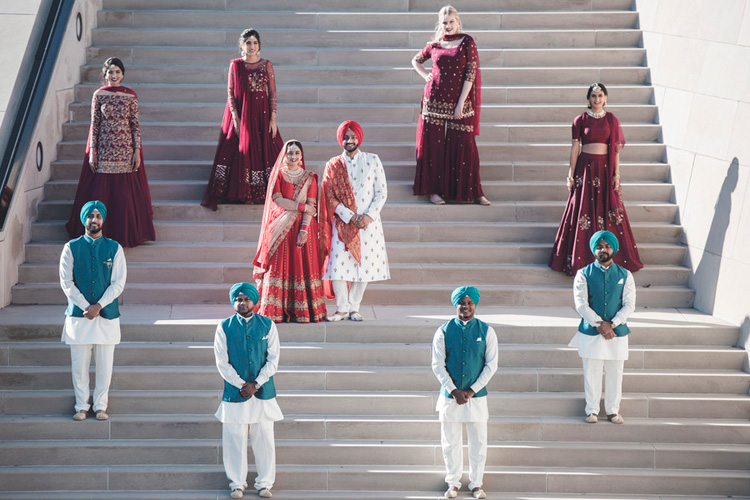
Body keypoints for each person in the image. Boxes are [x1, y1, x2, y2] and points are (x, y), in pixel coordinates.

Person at [549, 82, 644, 275]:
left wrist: (617, 174)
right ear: (588, 99)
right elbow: (575, 148)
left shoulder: (611, 120)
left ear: (606, 98)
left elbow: (615, 150)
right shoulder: (580, 120)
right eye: (593, 96)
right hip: (586, 169)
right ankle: (578, 259)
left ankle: (611, 258)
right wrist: (571, 175)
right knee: (582, 210)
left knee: (609, 209)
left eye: (600, 96)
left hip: (605, 170)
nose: (597, 99)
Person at [65, 57, 155, 248]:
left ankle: (123, 235)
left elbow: (134, 125)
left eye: (117, 72)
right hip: (104, 151)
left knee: (123, 196)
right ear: (104, 75)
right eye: (110, 72)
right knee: (101, 193)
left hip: (125, 150)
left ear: (122, 74)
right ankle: (97, 233)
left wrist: (137, 151)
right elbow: (94, 125)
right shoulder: (99, 95)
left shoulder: (130, 95)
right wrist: (92, 151)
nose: (114, 76)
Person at [412, 5, 489, 206]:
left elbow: (470, 73)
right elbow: (416, 60)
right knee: (433, 148)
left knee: (465, 146)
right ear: (441, 24)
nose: (448, 26)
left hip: (459, 103)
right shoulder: (434, 44)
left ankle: (474, 192)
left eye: (451, 22)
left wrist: (461, 102)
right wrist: (425, 76)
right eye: (444, 23)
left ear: (458, 22)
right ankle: (434, 192)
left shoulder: (467, 42)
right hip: (434, 101)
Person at [202, 28, 284, 209]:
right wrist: (236, 119)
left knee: (269, 149)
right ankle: (242, 192)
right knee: (241, 151)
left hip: (262, 115)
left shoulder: (266, 65)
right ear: (241, 45)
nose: (252, 46)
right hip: (243, 115)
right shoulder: (236, 65)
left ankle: (266, 191)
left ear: (259, 45)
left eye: (255, 42)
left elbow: (272, 93)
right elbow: (230, 93)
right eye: (248, 43)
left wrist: (273, 118)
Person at [214, 282, 282, 499]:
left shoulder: (268, 325)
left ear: (255, 301)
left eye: (246, 299)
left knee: (264, 438)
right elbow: (221, 362)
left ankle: (264, 484)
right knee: (234, 438)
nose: (241, 303)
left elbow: (273, 360)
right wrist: (240, 384)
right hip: (236, 393)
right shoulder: (224, 327)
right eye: (238, 299)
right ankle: (237, 484)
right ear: (233, 301)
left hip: (262, 393)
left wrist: (257, 384)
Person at [59, 201, 126, 421]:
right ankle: (81, 406)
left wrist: (99, 306)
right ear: (84, 219)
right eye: (90, 216)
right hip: (79, 316)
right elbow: (66, 282)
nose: (94, 219)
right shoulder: (71, 247)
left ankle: (100, 406)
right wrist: (85, 306)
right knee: (79, 364)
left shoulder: (115, 248)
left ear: (103, 219)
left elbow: (118, 283)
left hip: (106, 315)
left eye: (98, 216)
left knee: (105, 365)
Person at [319, 120, 390, 322]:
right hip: (343, 223)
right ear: (340, 139)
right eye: (345, 137)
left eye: (352, 136)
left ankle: (354, 307)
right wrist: (350, 216)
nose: (349, 140)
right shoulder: (333, 164)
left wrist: (368, 216)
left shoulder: (373, 160)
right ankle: (341, 308)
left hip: (369, 223)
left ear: (359, 137)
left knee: (364, 266)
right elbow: (329, 195)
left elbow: (381, 192)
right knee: (339, 266)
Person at [431, 286, 498, 499]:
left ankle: (476, 484)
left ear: (475, 305)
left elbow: (491, 365)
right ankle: (453, 483)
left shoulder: (487, 331)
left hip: (476, 398)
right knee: (450, 442)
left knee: (478, 441)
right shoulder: (443, 331)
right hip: (449, 397)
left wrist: (470, 390)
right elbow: (437, 365)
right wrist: (454, 390)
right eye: (462, 302)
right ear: (455, 304)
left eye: (469, 303)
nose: (466, 306)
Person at [252, 140, 326, 322]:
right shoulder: (277, 175)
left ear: (302, 156)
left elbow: (312, 205)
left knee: (301, 266)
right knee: (278, 267)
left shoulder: (310, 177)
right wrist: (301, 207)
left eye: (297, 153)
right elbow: (277, 200)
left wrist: (304, 230)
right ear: (284, 155)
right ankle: (275, 310)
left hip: (303, 228)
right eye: (290, 153)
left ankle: (303, 310)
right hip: (280, 227)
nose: (293, 157)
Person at [570, 230, 635, 425]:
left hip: (618, 332)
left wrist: (612, 324)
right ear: (593, 249)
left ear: (613, 248)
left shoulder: (625, 274)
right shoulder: (583, 274)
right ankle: (592, 411)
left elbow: (629, 304)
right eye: (599, 246)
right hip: (591, 331)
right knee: (592, 372)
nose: (603, 250)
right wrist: (600, 325)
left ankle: (613, 411)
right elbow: (581, 304)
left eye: (607, 246)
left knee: (616, 372)